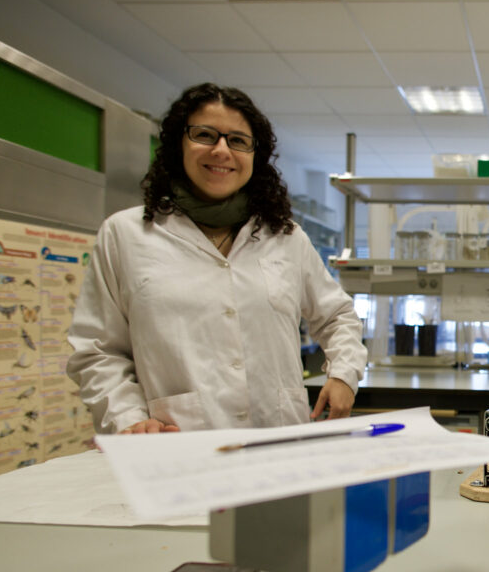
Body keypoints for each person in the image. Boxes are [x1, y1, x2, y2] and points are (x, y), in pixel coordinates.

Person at [67, 83, 367, 434]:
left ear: (256, 155)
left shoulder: (284, 237)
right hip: (173, 442)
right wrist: (128, 419)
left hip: (277, 437)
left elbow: (337, 316)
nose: (222, 150)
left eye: (238, 140)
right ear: (179, 144)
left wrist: (345, 374)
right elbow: (98, 350)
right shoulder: (126, 234)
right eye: (205, 135)